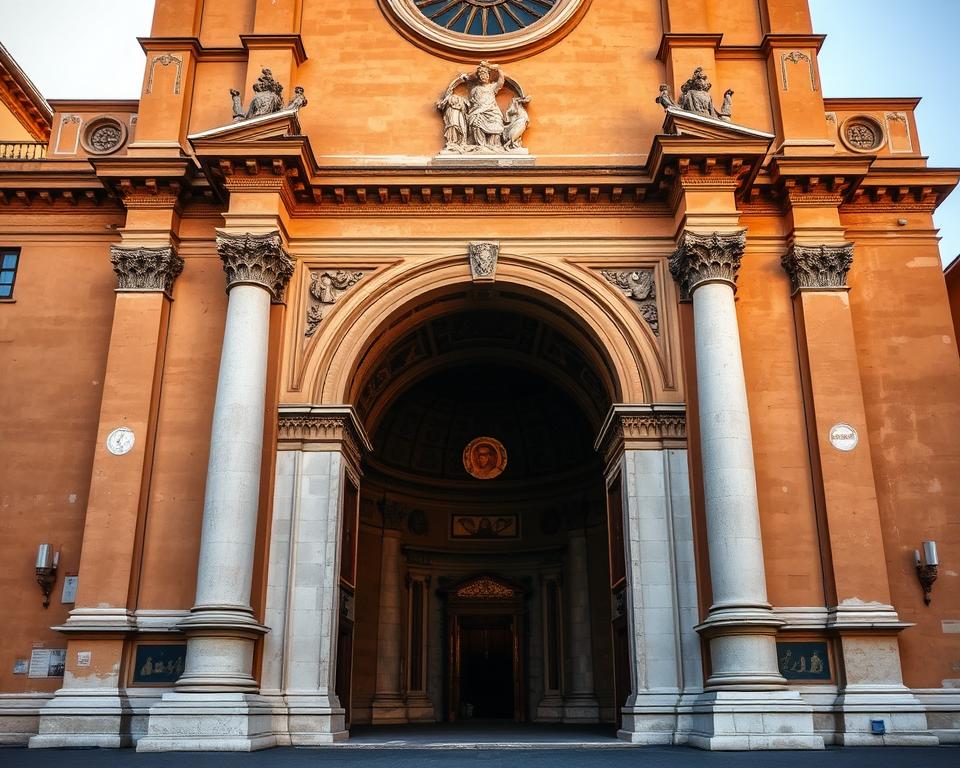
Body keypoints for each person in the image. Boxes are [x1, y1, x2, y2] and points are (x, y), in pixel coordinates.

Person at [466, 62, 506, 151]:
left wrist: (497, 69)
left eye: (484, 75)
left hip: (492, 111)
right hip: (478, 110)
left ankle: (493, 145)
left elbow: (501, 81)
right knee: (475, 121)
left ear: (488, 76)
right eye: (480, 75)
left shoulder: (492, 87)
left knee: (496, 123)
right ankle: (481, 145)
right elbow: (472, 101)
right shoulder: (475, 89)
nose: (482, 77)